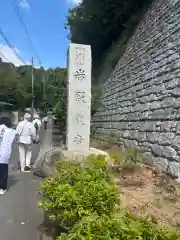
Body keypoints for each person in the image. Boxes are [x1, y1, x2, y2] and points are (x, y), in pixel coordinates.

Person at [0, 117, 16, 195]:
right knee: (3, 171)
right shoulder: (10, 131)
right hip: (4, 154)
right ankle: (2, 188)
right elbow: (14, 140)